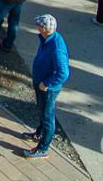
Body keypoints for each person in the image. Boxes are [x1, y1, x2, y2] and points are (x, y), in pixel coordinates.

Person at [23, 14, 70, 159]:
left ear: (44, 29)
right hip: (42, 84)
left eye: (38, 24)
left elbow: (63, 73)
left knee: (47, 116)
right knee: (43, 112)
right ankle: (39, 134)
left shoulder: (56, 48)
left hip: (48, 89)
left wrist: (46, 83)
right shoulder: (47, 38)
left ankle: (43, 148)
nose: (36, 26)